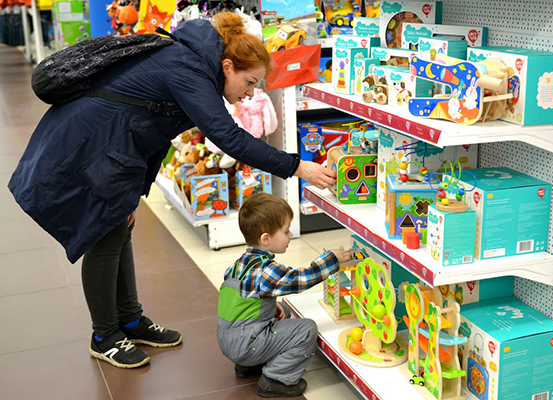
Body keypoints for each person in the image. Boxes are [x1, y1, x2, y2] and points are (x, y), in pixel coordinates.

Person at [8, 13, 336, 369]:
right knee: (102, 235)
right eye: (250, 81)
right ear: (227, 66)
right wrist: (297, 166)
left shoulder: (194, 63)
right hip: (90, 143)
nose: (251, 93)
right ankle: (104, 336)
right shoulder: (190, 69)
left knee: (120, 227)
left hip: (114, 145)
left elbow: (154, 128)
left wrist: (135, 190)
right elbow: (228, 137)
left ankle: (130, 320)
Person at [217, 193, 351, 398]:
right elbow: (300, 280)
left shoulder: (238, 263)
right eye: (286, 231)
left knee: (283, 310)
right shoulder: (266, 270)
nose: (290, 235)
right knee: (306, 329)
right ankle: (276, 379)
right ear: (266, 238)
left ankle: (246, 366)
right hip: (247, 344)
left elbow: (240, 300)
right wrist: (330, 259)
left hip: (228, 340)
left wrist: (269, 304)